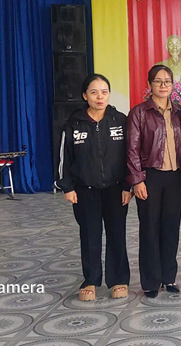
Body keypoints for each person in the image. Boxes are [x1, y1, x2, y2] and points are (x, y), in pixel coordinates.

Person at [55, 74, 132, 301]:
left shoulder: (120, 120)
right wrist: (67, 187)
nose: (100, 97)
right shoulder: (73, 124)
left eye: (104, 92)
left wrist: (128, 185)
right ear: (84, 95)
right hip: (84, 190)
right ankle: (90, 280)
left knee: (117, 234)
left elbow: (130, 155)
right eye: (94, 92)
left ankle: (118, 279)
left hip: (116, 189)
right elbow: (63, 157)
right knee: (90, 235)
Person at [127, 65, 181, 298]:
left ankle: (169, 277)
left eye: (167, 81)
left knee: (171, 228)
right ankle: (151, 282)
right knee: (150, 229)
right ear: (149, 84)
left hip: (174, 177)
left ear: (173, 85)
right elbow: (132, 149)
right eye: (158, 81)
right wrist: (137, 180)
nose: (163, 85)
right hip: (149, 177)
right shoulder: (139, 113)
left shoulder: (180, 113)